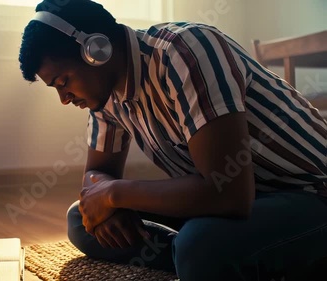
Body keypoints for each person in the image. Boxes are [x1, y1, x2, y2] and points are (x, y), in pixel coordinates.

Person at [18, 0, 327, 280]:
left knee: (201, 244)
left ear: (97, 50)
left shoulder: (186, 51)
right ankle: (221, 256)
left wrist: (115, 195)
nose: (64, 98)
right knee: (81, 219)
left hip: (309, 191)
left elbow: (228, 193)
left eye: (64, 82)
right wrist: (107, 198)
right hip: (239, 203)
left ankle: (205, 253)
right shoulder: (105, 95)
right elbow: (95, 176)